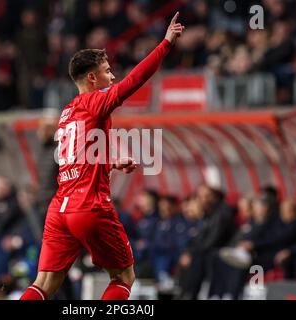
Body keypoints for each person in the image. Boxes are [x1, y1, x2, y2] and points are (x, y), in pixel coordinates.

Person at [19, 13, 184, 300]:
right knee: (124, 276)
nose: (113, 76)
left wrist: (111, 162)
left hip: (60, 209)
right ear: (92, 78)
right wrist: (166, 44)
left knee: (44, 283)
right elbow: (135, 79)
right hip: (88, 206)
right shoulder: (95, 101)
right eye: (108, 71)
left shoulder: (67, 112)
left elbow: (73, 158)